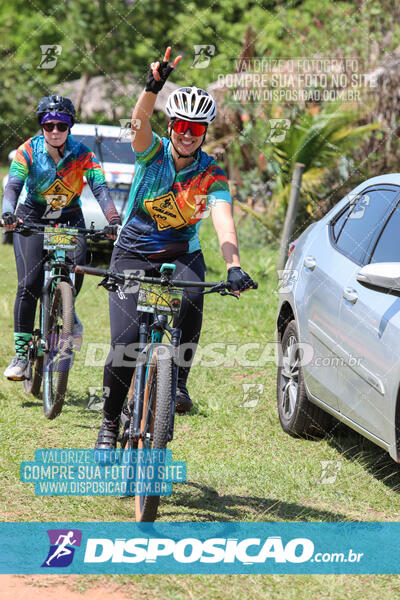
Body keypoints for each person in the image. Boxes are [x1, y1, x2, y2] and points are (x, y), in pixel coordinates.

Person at [95, 47, 255, 449]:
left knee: (192, 299)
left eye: (196, 129)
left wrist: (233, 266)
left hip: (181, 253)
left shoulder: (211, 175)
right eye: (182, 125)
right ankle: (110, 423)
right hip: (132, 251)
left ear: (205, 133)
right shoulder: (152, 154)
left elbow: (223, 220)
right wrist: (154, 85)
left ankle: (177, 383)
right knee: (125, 342)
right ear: (172, 126)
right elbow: (137, 123)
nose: (187, 134)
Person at [1, 94, 121, 380]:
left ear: (70, 127)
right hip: (32, 216)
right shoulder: (27, 150)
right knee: (28, 283)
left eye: (62, 125)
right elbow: (13, 187)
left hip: (70, 217)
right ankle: (21, 354)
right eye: (49, 125)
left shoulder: (83, 154)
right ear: (41, 126)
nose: (55, 131)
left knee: (75, 272)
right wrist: (7, 212)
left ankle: (66, 311)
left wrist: (113, 218)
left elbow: (101, 189)